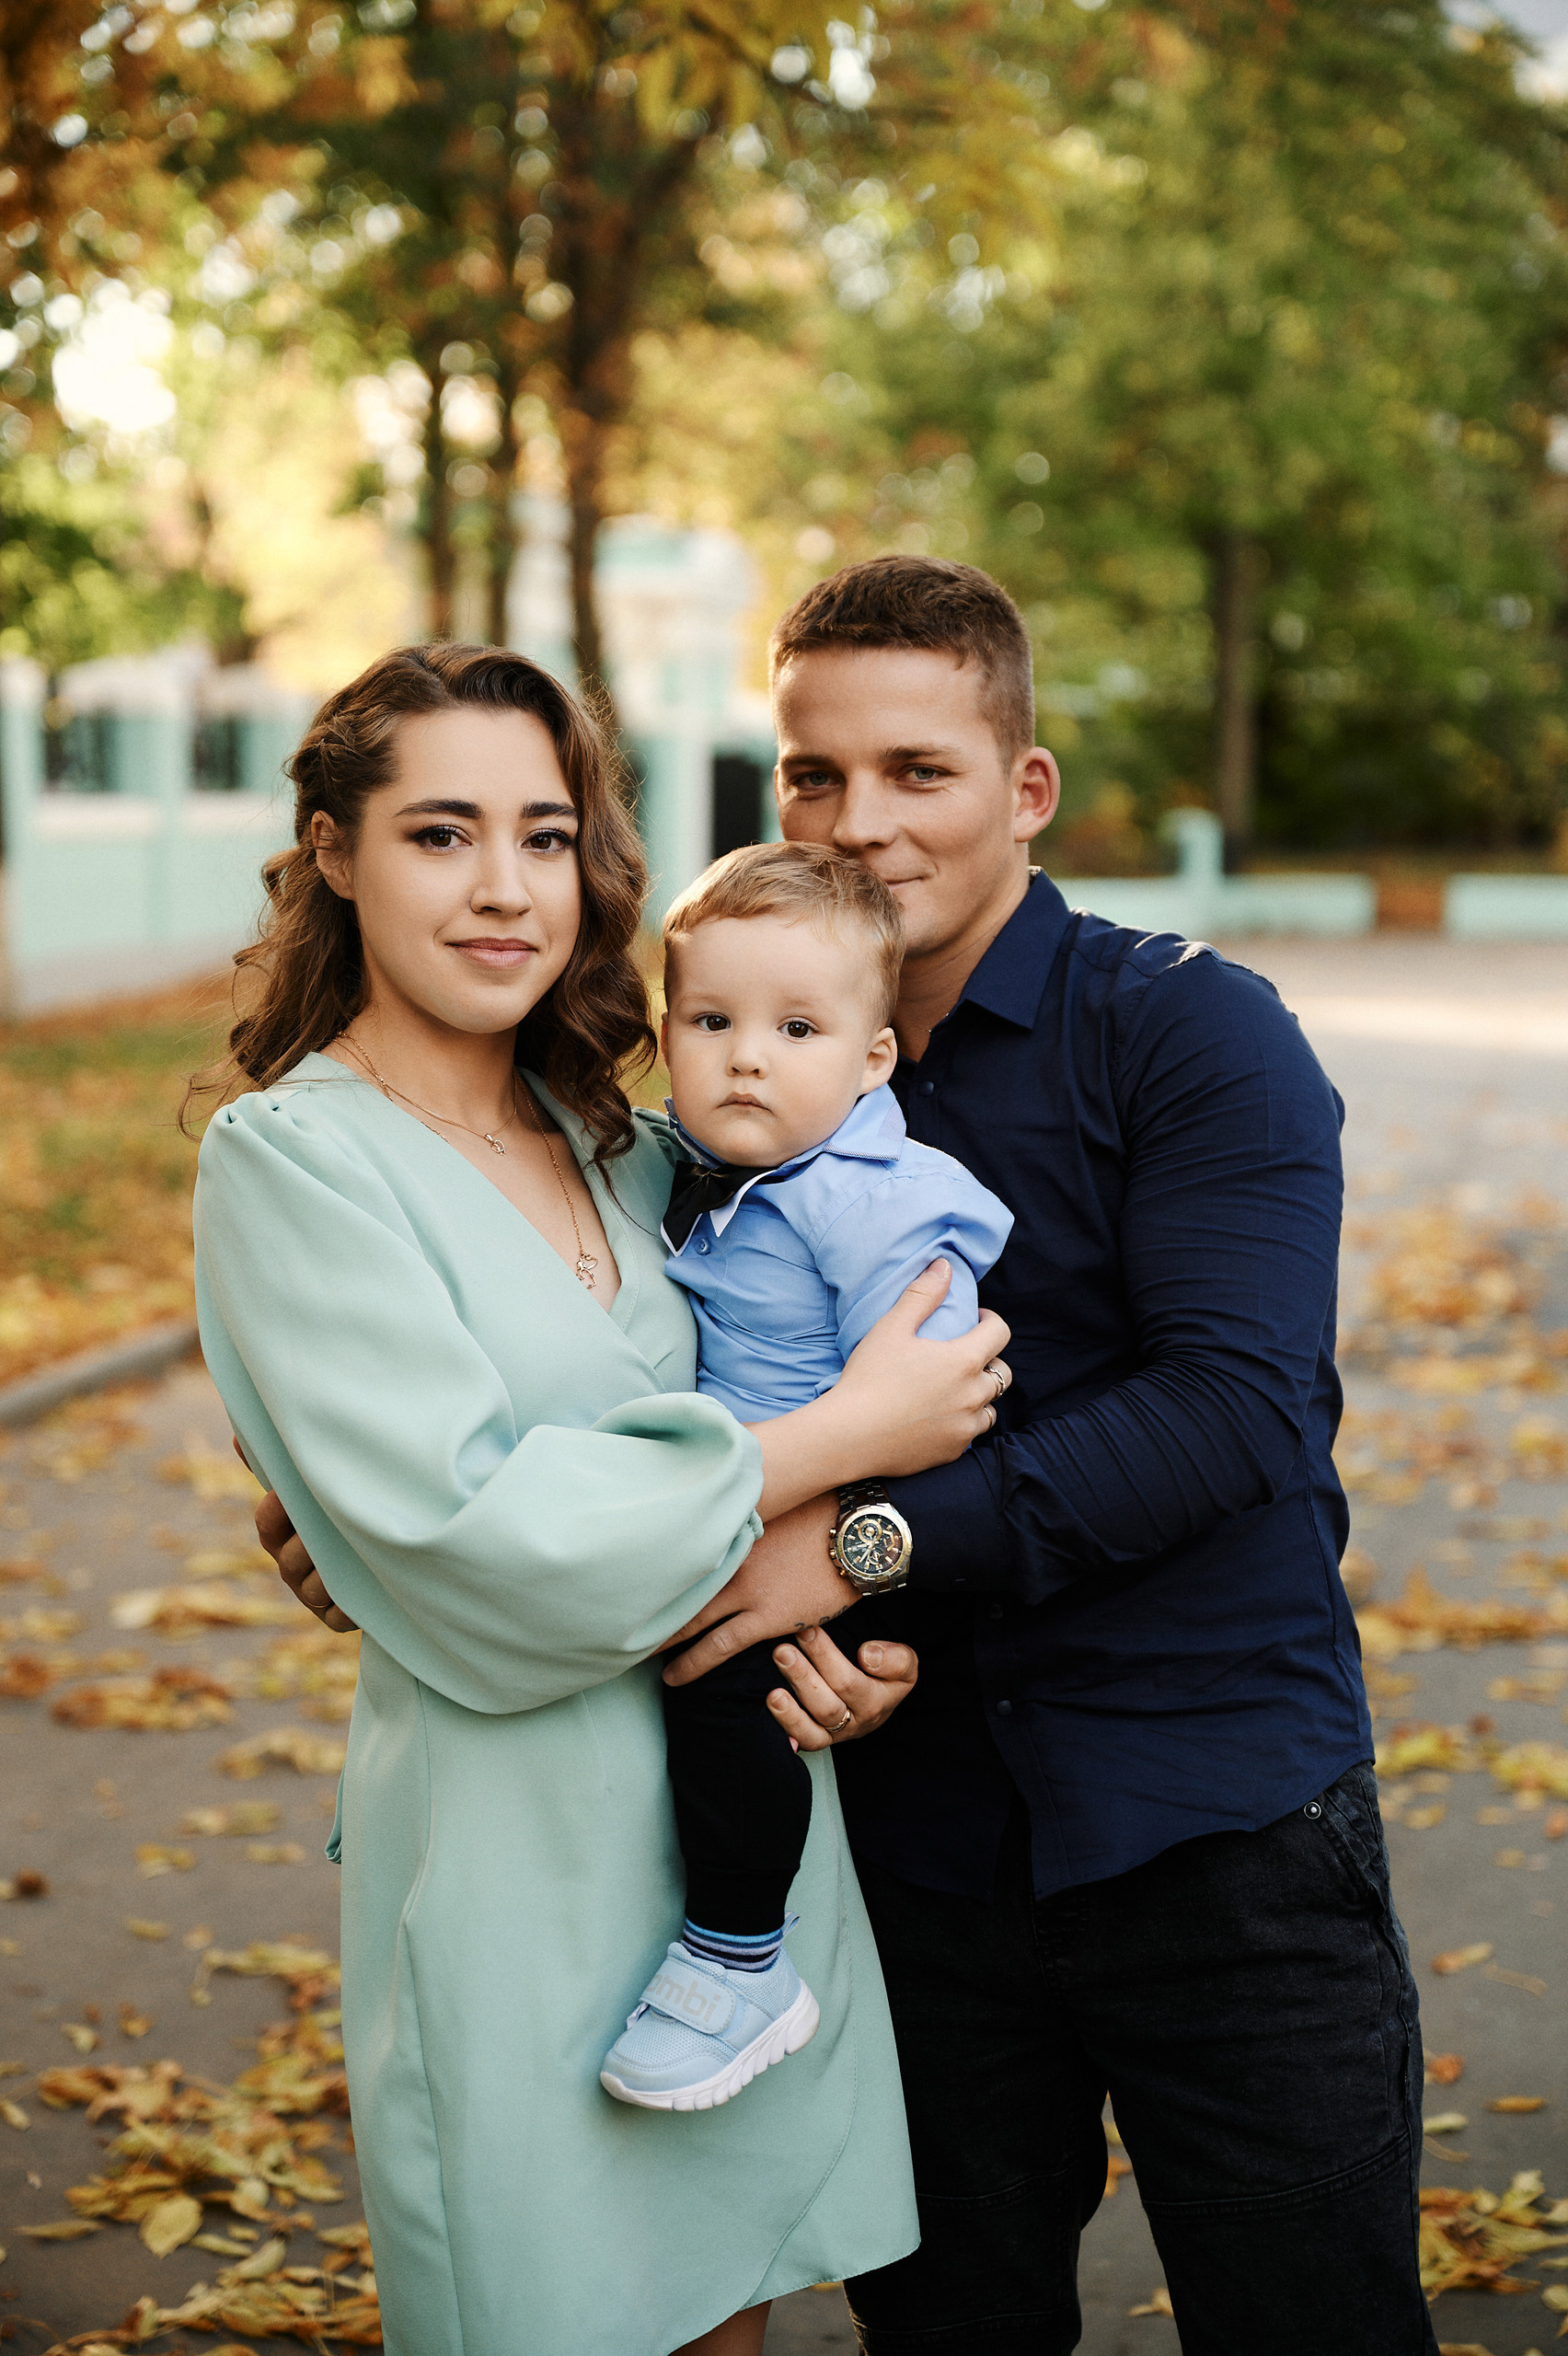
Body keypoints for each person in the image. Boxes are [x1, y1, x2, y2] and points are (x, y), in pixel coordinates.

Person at [657, 556, 1442, 2356]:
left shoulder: (1190, 1030)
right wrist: (365, 1514)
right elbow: (579, 1329)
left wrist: (855, 1547)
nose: (859, 824)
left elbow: (1235, 1410)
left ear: (1026, 788)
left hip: (1218, 1830)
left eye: (917, 771)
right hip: (910, 1860)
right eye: (814, 773)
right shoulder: (734, 1079)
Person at [190, 640, 1010, 2356]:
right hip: (520, 1858)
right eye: (441, 833)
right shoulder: (296, 1160)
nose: (505, 888)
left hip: (737, 1863)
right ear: (335, 851)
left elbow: (739, 1432)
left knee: (731, 2309)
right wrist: (851, 1435)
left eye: (547, 836)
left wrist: (847, 1630)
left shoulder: (632, 1147)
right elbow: (481, 1544)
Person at [600, 840, 1012, 2112]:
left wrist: (846, 1537)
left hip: (845, 1530)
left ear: (873, 1058)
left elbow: (932, 1396)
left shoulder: (875, 1199)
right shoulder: (722, 1170)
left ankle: (739, 1958)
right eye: (711, 1021)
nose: (748, 1058)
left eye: (795, 1029)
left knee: (727, 1690)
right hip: (751, 1498)